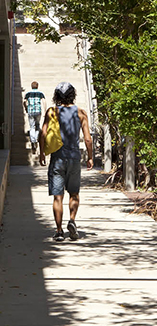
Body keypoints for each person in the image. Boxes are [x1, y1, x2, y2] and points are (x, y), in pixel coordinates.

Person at [41, 82, 94, 242]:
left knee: (58, 196)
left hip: (57, 158)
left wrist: (42, 153)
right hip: (74, 158)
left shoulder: (52, 112)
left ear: (57, 96)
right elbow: (87, 139)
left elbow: (43, 134)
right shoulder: (81, 113)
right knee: (74, 193)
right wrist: (90, 156)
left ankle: (58, 231)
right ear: (73, 95)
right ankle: (72, 221)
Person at [24, 81, 45, 165]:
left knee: (32, 126)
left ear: (31, 86)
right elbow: (44, 101)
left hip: (30, 111)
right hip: (38, 111)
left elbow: (24, 102)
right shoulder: (40, 94)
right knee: (37, 125)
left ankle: (33, 141)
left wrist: (26, 108)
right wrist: (45, 110)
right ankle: (36, 139)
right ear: (37, 86)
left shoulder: (28, 94)